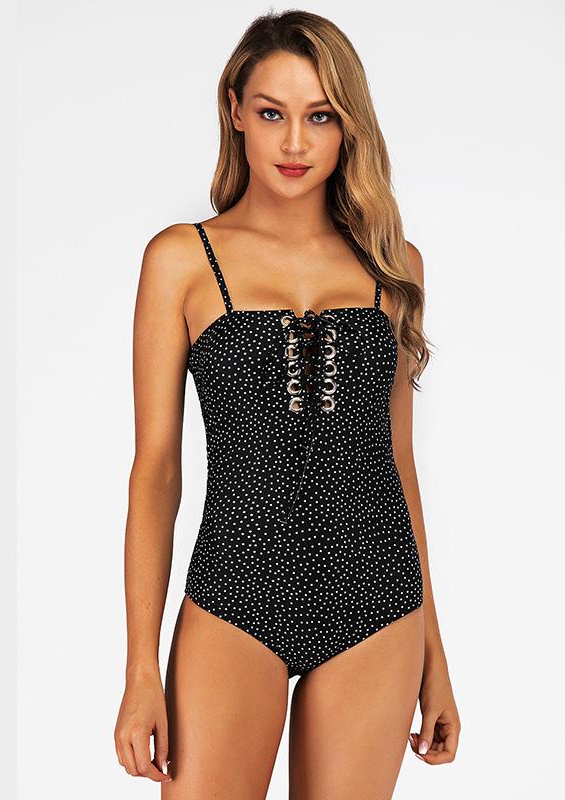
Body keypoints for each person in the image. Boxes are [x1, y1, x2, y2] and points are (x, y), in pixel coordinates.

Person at [114, 9, 460, 798]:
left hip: (379, 599)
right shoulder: (182, 260)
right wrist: (140, 668)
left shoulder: (394, 266)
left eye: (320, 116)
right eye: (273, 113)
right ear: (235, 109)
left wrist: (435, 655)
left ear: (349, 126)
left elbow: (398, 464)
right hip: (234, 594)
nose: (295, 143)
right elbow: (155, 472)